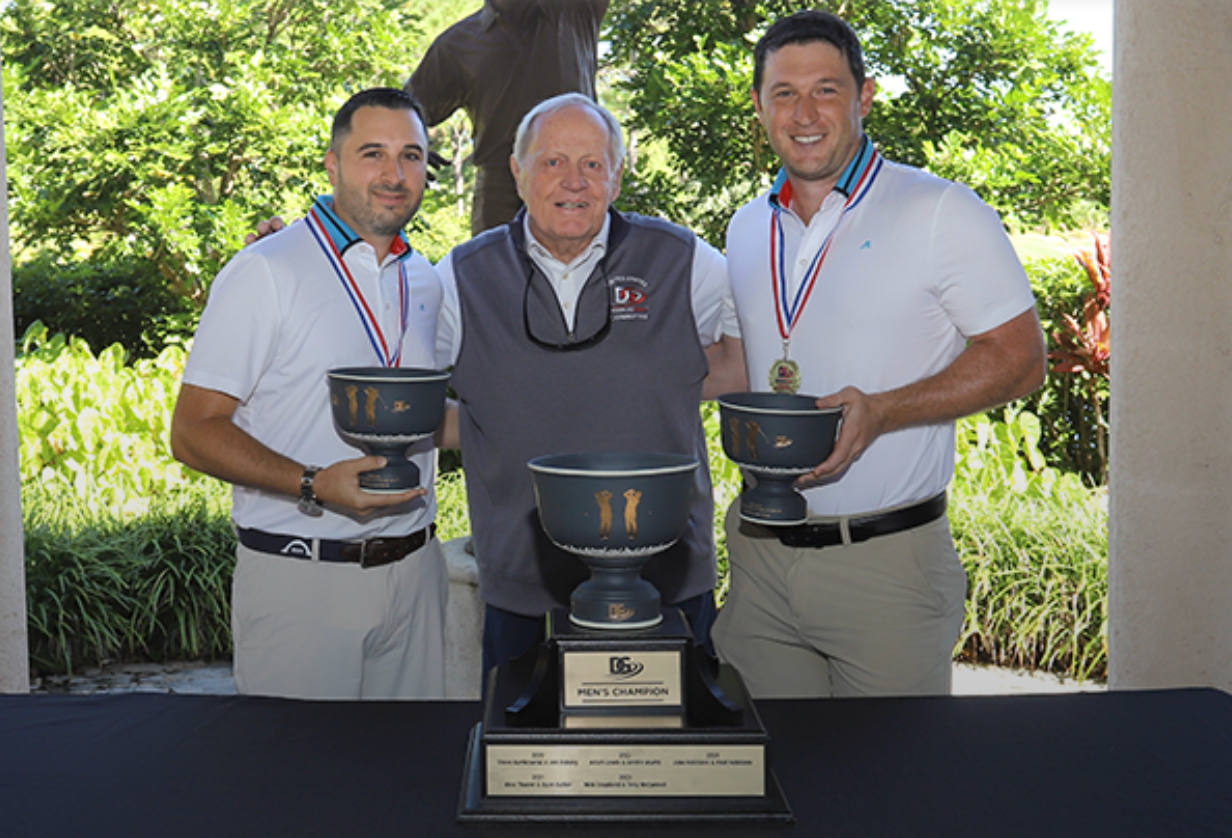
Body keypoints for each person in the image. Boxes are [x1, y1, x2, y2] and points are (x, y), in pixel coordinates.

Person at [712, 11, 1047, 698]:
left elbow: (1021, 359)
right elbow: (737, 370)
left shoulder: (941, 211)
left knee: (891, 791)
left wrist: (885, 411)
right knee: (770, 782)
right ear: (757, 106)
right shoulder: (745, 228)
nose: (805, 113)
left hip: (884, 565)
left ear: (864, 97)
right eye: (783, 93)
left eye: (826, 90)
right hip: (758, 558)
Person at [434, 93, 748, 687]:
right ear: (518, 172)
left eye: (592, 164)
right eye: (552, 162)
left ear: (618, 176)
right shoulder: (460, 276)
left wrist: (660, 379)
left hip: (667, 581)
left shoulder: (685, 261)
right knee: (523, 764)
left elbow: (751, 360)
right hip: (523, 584)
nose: (573, 181)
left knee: (674, 763)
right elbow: (409, 393)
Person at [170, 88, 451, 701]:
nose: (394, 174)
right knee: (294, 787)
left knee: (410, 780)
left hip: (417, 575)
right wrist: (313, 483)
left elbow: (431, 419)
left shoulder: (425, 278)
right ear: (332, 162)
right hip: (303, 577)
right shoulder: (266, 270)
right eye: (372, 153)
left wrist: (543, 421)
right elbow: (193, 430)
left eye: (411, 155)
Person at [405, 0, 609, 234]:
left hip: (575, 180)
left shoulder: (574, 11)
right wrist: (410, 147)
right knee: (494, 267)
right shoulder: (458, 44)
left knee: (584, 264)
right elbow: (404, 110)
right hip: (499, 193)